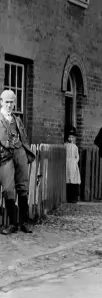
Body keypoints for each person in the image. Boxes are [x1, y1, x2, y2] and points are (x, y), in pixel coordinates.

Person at [0, 89, 35, 234]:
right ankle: (13, 223)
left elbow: (24, 138)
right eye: (7, 102)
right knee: (8, 188)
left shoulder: (17, 119)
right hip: (5, 155)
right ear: (1, 102)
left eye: (12, 102)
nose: (9, 105)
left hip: (19, 152)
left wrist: (24, 153)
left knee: (23, 187)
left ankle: (24, 222)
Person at [65, 126, 81, 204]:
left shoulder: (75, 147)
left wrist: (75, 162)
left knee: (74, 180)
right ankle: (68, 197)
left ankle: (74, 197)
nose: (71, 138)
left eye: (72, 137)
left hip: (73, 164)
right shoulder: (65, 146)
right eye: (69, 137)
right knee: (67, 179)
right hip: (67, 164)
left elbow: (77, 156)